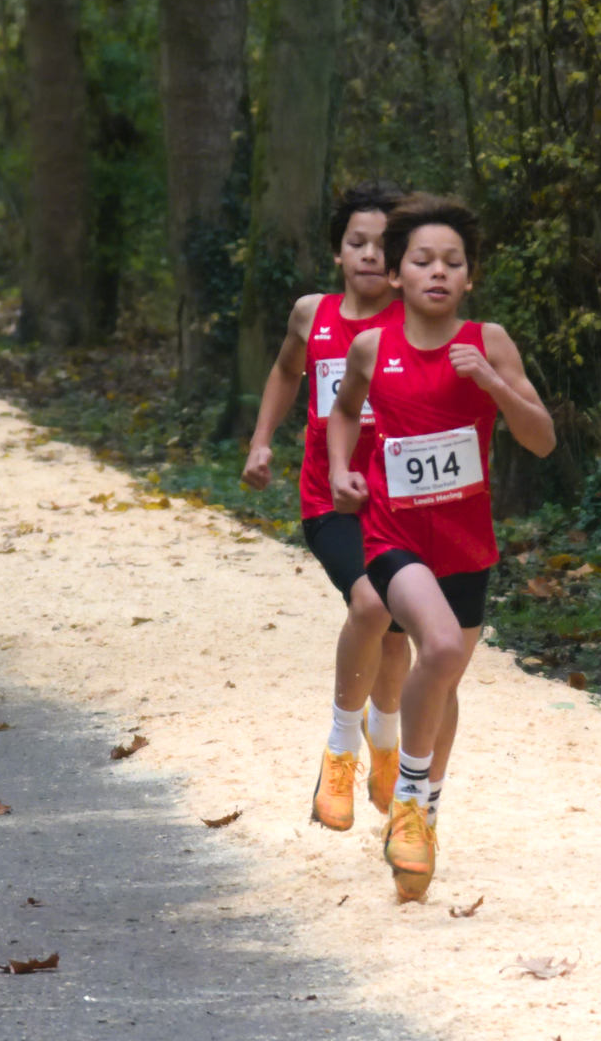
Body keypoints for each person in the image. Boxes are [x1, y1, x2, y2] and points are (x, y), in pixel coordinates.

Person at [326, 193, 555, 902]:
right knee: (444, 649)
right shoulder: (371, 346)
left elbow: (542, 439)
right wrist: (341, 468)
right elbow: (341, 411)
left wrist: (490, 382)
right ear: (396, 274)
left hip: (467, 546)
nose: (437, 272)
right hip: (393, 537)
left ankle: (421, 811)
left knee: (442, 676)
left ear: (469, 277)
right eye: (422, 260)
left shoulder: (490, 343)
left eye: (452, 262)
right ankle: (411, 803)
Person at [241, 182, 413, 832]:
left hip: (398, 505)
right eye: (356, 242)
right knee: (372, 602)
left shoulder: (415, 324)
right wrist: (262, 443)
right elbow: (287, 371)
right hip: (328, 500)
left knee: (396, 640)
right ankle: (342, 749)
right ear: (338, 253)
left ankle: (386, 736)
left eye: (384, 245)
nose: (370, 254)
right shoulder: (312, 314)